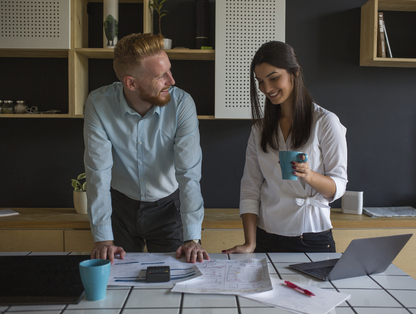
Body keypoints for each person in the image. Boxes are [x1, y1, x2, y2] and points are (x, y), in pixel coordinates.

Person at [83, 33, 209, 264]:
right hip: (120, 208)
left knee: (174, 278)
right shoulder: (98, 103)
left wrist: (193, 238)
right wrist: (102, 238)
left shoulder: (182, 104)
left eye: (169, 70)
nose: (172, 81)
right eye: (161, 76)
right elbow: (98, 172)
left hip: (168, 209)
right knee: (115, 281)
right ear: (131, 83)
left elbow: (189, 174)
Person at [223, 41, 348, 254]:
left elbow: (339, 185)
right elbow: (250, 188)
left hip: (312, 236)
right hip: (266, 236)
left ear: (295, 73)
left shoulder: (325, 122)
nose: (267, 89)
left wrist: (309, 175)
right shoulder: (260, 129)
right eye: (260, 82)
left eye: (273, 78)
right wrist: (250, 243)